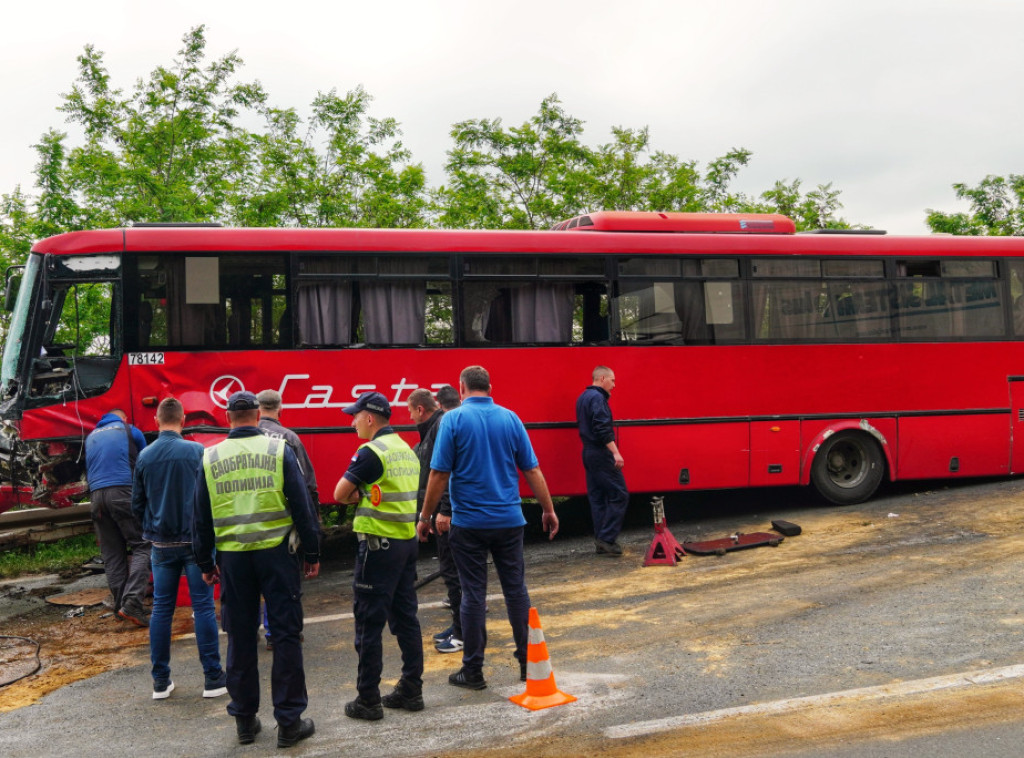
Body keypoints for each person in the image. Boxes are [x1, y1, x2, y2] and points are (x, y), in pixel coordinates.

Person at [418, 365, 559, 690]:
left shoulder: (452, 420)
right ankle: (528, 663)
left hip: (469, 525)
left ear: (462, 388)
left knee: (472, 595)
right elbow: (532, 469)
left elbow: (439, 475)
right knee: (515, 591)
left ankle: (474, 671)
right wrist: (548, 509)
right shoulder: (510, 418)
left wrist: (425, 518)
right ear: (490, 387)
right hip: (509, 521)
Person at [193, 391, 320, 748]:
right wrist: (312, 551)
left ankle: (245, 722)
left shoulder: (210, 456)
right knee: (285, 634)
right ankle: (290, 723)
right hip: (277, 556)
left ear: (229, 417)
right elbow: (302, 506)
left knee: (241, 637)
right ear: (257, 414)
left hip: (233, 559)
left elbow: (200, 517)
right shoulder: (278, 450)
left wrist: (205, 562)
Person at [333, 391, 424, 720]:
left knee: (368, 623)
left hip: (377, 548)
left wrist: (359, 494)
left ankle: (368, 700)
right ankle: (412, 690)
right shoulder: (406, 450)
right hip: (405, 544)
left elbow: (339, 493)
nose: (351, 422)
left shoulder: (370, 451)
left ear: (369, 418)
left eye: (355, 416)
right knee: (406, 618)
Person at [131, 397, 226, 700]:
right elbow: (211, 497)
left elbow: (137, 504)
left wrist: (153, 524)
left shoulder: (145, 456)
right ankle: (213, 679)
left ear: (157, 422)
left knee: (161, 609)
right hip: (195, 543)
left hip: (161, 545)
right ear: (183, 420)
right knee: (203, 608)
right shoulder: (197, 452)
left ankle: (160, 682)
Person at [257, 388, 322, 649]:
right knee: (282, 584)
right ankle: (278, 633)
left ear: (257, 410)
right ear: (280, 410)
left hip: (242, 526)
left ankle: (248, 635)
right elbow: (307, 485)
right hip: (280, 526)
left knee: (249, 585)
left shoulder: (242, 438)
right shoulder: (289, 438)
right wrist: (312, 529)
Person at [407, 388, 462, 654]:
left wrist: (444, 510)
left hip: (445, 514)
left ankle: (462, 633)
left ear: (420, 409)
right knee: (452, 573)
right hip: (439, 511)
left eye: (410, 412)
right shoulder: (432, 430)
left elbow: (448, 471)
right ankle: (459, 626)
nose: (410, 418)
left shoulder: (439, 426)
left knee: (453, 573)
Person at [84, 408, 150, 627]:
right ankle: (132, 603)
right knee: (143, 545)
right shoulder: (131, 431)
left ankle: (121, 606)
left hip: (96, 498)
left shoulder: (91, 437)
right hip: (122, 492)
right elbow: (145, 464)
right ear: (124, 418)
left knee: (112, 554)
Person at [576, 366, 630, 556]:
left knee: (597, 497)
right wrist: (615, 452)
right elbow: (601, 428)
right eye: (612, 380)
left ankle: (601, 540)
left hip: (588, 453)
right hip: (600, 453)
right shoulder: (598, 398)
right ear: (602, 378)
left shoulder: (583, 397)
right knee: (619, 494)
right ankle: (607, 538)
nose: (614, 385)